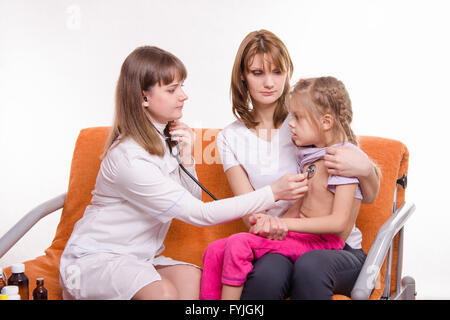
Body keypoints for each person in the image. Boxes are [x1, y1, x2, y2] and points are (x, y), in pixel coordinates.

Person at [58, 45, 308, 300]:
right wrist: (273, 192)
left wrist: (187, 158)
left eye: (181, 86)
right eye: (172, 89)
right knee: (164, 294)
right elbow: (199, 214)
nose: (183, 96)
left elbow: (192, 200)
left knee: (195, 279)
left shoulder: (161, 141)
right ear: (143, 97)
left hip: (138, 257)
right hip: (95, 260)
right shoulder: (129, 158)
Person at [213, 30, 380, 300]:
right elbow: (249, 214)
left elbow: (366, 193)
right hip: (279, 241)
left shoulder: (307, 119)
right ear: (242, 76)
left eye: (277, 72)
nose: (269, 83)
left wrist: (366, 168)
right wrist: (276, 195)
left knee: (310, 268)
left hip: (331, 245)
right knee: (267, 277)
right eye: (257, 73)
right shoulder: (230, 138)